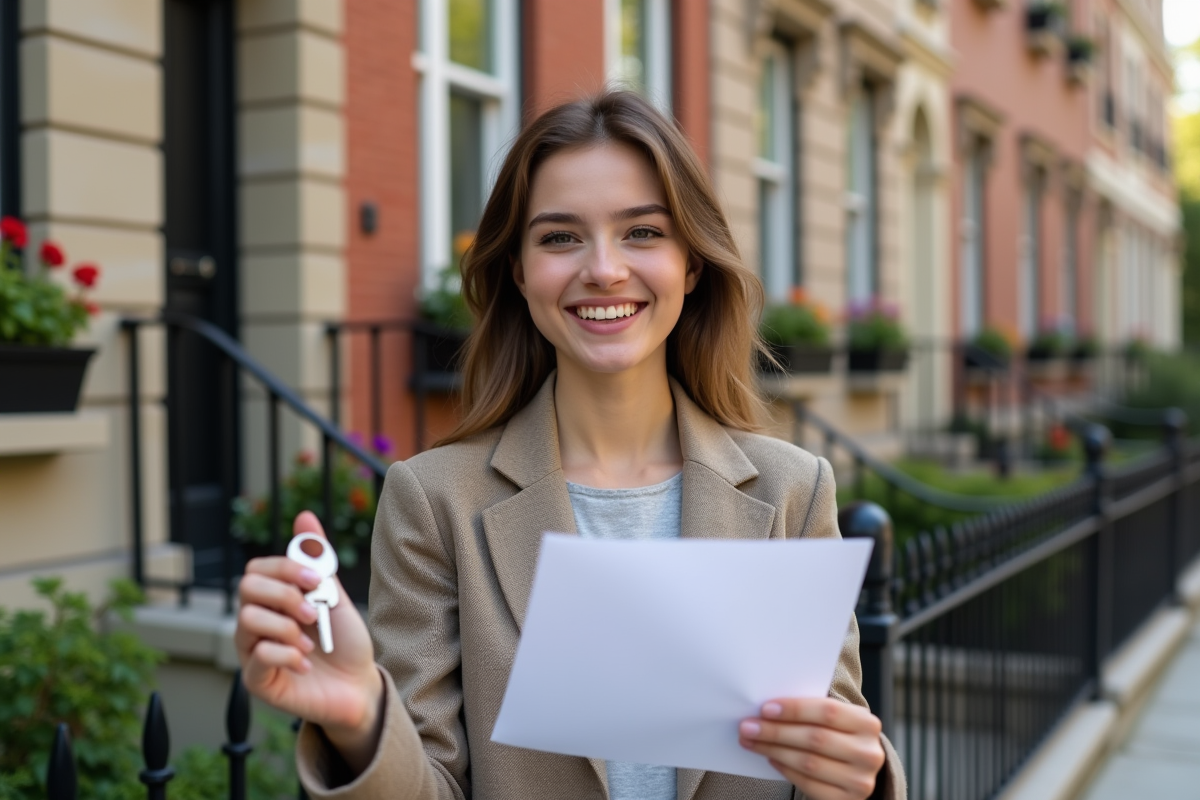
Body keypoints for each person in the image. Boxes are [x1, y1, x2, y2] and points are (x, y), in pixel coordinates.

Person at [234, 90, 906, 800]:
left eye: (642, 232)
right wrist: (362, 716)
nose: (604, 269)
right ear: (520, 272)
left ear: (693, 264)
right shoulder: (434, 503)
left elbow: (826, 751)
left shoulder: (794, 493)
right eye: (560, 237)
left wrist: (863, 782)